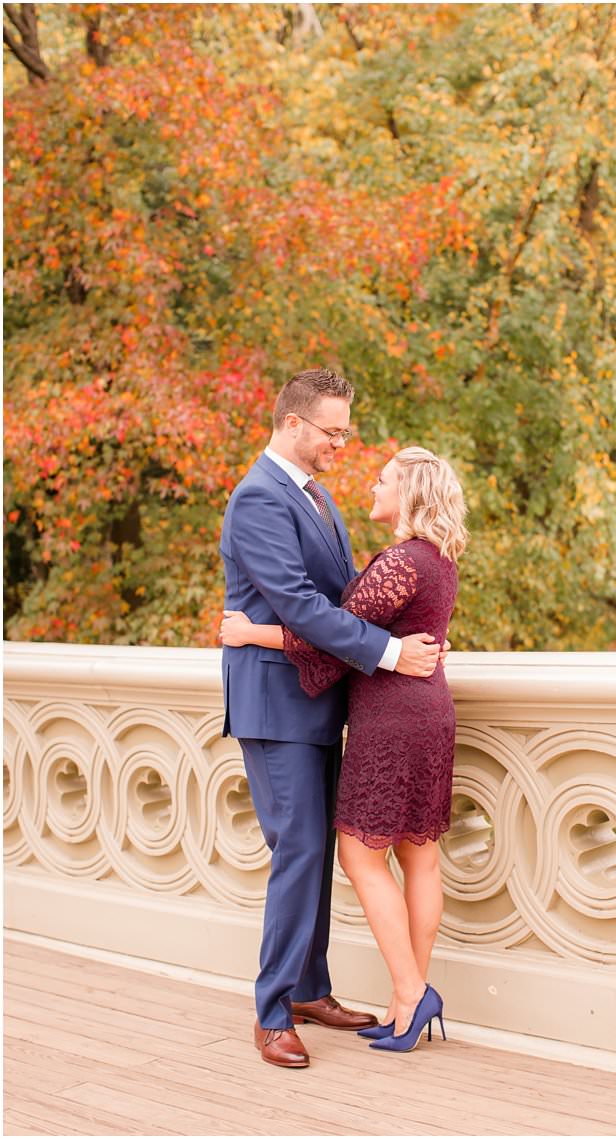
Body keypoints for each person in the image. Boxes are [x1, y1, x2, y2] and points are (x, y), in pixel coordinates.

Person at [220, 368, 441, 1069]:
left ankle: (311, 988)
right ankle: (272, 1010)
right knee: (301, 852)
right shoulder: (258, 498)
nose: (343, 443)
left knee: (315, 856)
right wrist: (387, 651)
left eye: (347, 431)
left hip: (321, 700)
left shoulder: (316, 497)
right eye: (332, 430)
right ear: (292, 424)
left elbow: (344, 596)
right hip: (276, 703)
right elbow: (300, 605)